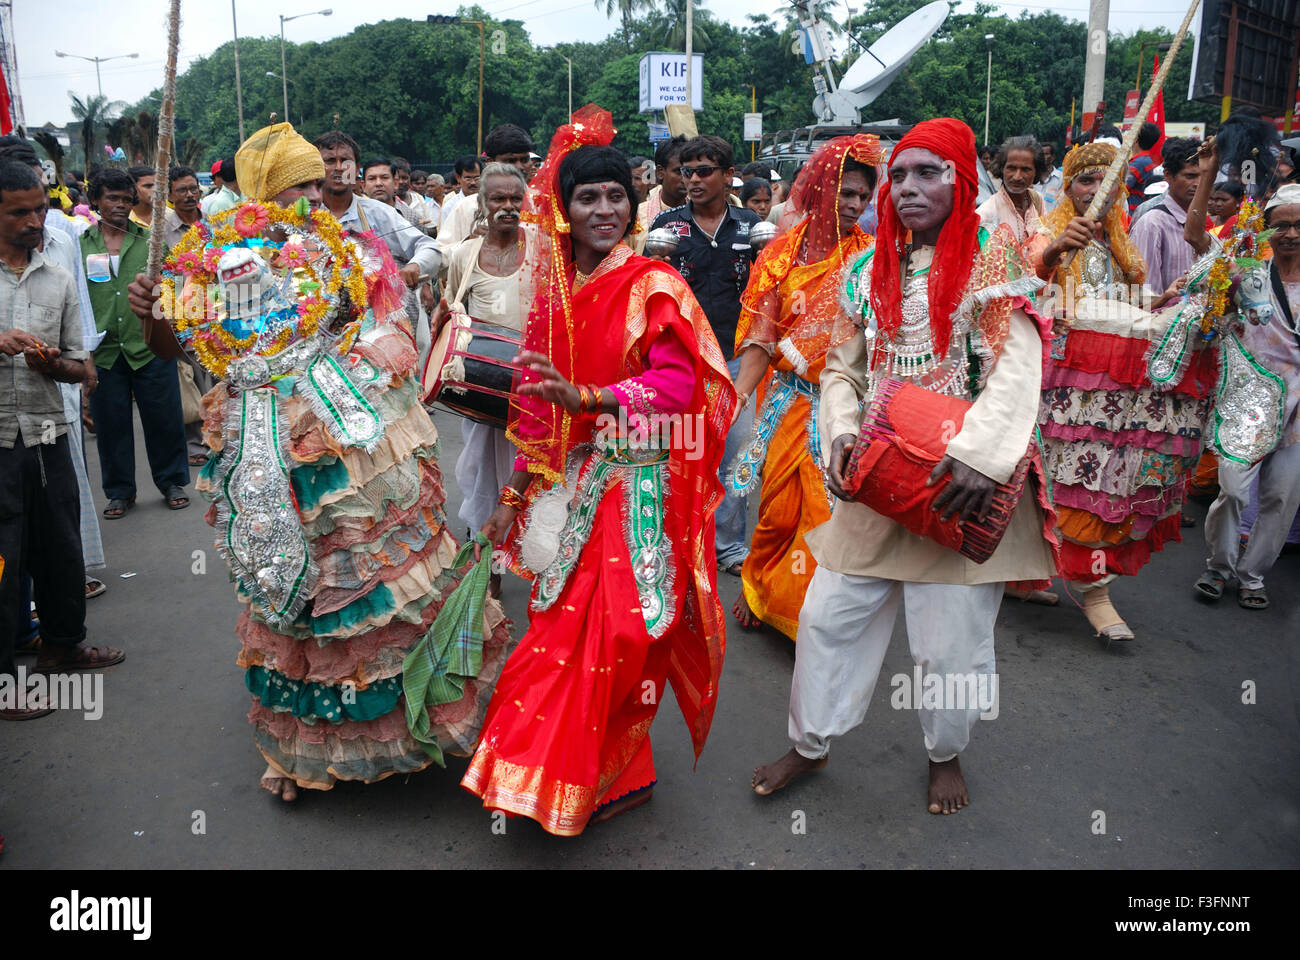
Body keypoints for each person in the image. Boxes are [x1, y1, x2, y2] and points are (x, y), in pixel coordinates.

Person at [128, 121, 511, 801]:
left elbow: (371, 318)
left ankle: (413, 720)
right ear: (263, 194)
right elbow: (172, 349)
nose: (319, 191)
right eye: (300, 184)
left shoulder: (346, 245)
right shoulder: (215, 259)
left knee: (376, 575)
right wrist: (152, 310)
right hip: (265, 439)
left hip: (355, 435)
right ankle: (299, 750)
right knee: (288, 587)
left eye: (319, 179)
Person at [750, 118, 1055, 813]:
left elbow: (1017, 367)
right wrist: (840, 434)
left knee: (949, 646)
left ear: (961, 180)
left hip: (959, 488)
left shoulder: (993, 260)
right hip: (881, 476)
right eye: (903, 174)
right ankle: (811, 742)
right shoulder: (866, 270)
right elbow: (842, 370)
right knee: (830, 618)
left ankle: (945, 754)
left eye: (931, 173)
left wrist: (980, 457)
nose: (910, 188)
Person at [463, 108, 736, 835]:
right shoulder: (552, 300)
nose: (606, 210)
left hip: (642, 488)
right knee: (558, 633)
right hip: (570, 490)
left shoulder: (653, 285)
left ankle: (600, 770)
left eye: (617, 194)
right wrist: (511, 497)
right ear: (565, 208)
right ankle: (567, 776)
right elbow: (540, 419)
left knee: (620, 637)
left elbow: (679, 389)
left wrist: (589, 397)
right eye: (589, 197)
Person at [1034, 141, 1197, 641]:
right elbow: (1022, 289)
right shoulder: (1046, 231)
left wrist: (1157, 299)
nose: (1097, 192)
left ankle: (1094, 586)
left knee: (1109, 483)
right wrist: (1055, 251)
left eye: (1108, 182)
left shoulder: (1116, 240)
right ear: (1069, 185)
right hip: (1058, 388)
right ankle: (1050, 580)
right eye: (1087, 180)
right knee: (1051, 485)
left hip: (1116, 390)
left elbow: (1119, 300)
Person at [726, 135, 879, 637]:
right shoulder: (778, 257)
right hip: (787, 402)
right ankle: (761, 590)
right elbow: (761, 339)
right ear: (819, 190)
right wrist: (737, 397)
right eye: (847, 194)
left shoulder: (871, 261)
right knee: (773, 512)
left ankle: (807, 624)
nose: (855, 205)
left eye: (863, 196)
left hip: (842, 407)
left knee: (824, 511)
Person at [1, 160, 124, 721]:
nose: (34, 221)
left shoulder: (60, 276)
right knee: (6, 559)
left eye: (39, 209)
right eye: (19, 211)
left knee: (59, 544)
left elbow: (84, 368)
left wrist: (54, 364)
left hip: (49, 430)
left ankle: (61, 644)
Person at [650, 134, 761, 582]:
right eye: (685, 171)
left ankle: (730, 545)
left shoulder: (751, 224)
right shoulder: (666, 226)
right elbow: (648, 287)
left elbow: (769, 284)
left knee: (736, 455)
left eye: (703, 171)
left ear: (728, 175)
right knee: (684, 454)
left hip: (736, 357)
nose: (692, 179)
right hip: (685, 359)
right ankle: (681, 542)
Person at [1196, 184, 1300, 609]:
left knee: (1280, 497)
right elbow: (1213, 319)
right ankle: (1219, 566)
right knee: (1234, 491)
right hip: (1248, 400)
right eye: (1282, 225)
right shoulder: (1249, 274)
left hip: (1297, 410)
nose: (1291, 233)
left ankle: (1253, 575)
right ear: (1266, 231)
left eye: (1299, 225)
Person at [443, 162, 540, 597]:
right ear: (481, 205)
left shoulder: (543, 249)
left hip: (538, 391)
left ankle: (545, 574)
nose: (507, 207)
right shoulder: (464, 255)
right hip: (486, 395)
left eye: (514, 199)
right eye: (497, 199)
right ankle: (491, 576)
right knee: (485, 482)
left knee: (539, 482)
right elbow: (452, 318)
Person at [80, 167, 190, 517]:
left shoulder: (150, 240)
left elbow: (172, 288)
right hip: (105, 352)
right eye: (111, 198)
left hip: (149, 346)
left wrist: (174, 334)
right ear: (95, 200)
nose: (119, 205)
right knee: (111, 424)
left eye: (126, 199)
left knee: (164, 419)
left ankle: (172, 481)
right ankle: (119, 492)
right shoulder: (80, 244)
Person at [316, 132, 442, 369]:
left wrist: (414, 267)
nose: (339, 167)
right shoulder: (302, 215)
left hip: (372, 337)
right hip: (315, 336)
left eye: (346, 161)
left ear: (357, 170)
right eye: (329, 161)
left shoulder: (378, 213)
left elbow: (430, 247)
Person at [439, 126, 533, 253]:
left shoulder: (544, 203)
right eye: (510, 161)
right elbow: (441, 254)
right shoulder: (467, 207)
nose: (520, 167)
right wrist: (470, 242)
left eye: (524, 160)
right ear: (490, 162)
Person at [1130, 137, 1202, 298]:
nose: (1198, 183)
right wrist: (1165, 300)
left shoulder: (1200, 220)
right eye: (1190, 176)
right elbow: (1145, 296)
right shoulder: (1151, 225)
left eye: (1202, 176)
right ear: (1168, 175)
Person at [976, 135, 1050, 266]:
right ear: (1002, 168)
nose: (1017, 176)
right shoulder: (985, 214)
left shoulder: (1037, 200)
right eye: (1011, 168)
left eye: (1025, 169)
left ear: (1036, 172)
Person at [631, 134, 686, 254]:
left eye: (689, 171)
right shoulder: (636, 216)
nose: (686, 178)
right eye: (679, 171)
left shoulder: (703, 215)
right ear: (661, 172)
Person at [1125, 122, 1164, 215]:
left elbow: (1122, 187)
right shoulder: (1145, 160)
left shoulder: (1139, 163)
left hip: (1132, 212)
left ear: (1135, 139)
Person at [162, 166, 202, 248]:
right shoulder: (162, 231)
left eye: (193, 188)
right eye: (182, 190)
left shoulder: (213, 222)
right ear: (169, 196)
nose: (190, 195)